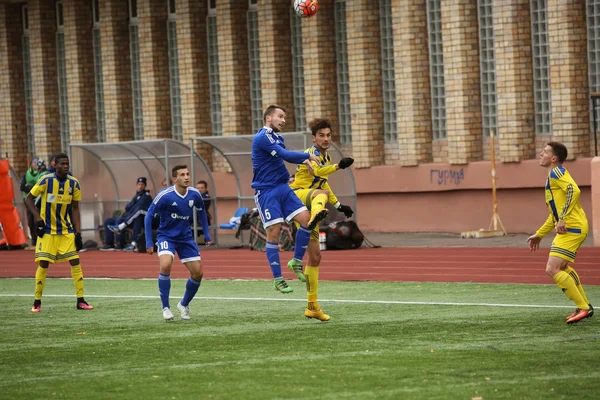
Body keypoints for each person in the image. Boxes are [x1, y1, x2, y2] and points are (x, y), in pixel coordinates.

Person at [251, 104, 322, 294]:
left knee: (306, 219)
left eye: (284, 118)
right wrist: (307, 155)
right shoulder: (262, 137)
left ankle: (296, 261)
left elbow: (282, 157)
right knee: (273, 232)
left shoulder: (276, 137)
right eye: (280, 117)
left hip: (283, 187)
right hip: (266, 191)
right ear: (268, 118)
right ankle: (277, 279)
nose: (283, 121)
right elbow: (284, 155)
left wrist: (304, 160)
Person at [290, 118, 355, 321]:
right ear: (314, 137)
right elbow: (318, 172)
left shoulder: (325, 156)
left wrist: (338, 206)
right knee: (320, 195)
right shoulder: (313, 154)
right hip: (298, 198)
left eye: (328, 135)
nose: (326, 139)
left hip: (313, 202)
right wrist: (339, 167)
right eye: (321, 135)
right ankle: (316, 215)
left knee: (316, 257)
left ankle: (312, 306)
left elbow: (324, 184)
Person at [527, 142, 593, 324]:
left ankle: (584, 308)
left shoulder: (557, 172)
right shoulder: (552, 177)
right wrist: (539, 234)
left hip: (571, 227)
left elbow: (574, 190)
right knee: (562, 267)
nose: (541, 153)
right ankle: (584, 305)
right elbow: (553, 215)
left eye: (545, 151)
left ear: (553, 158)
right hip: (572, 226)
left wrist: (563, 217)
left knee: (552, 268)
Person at [24, 153, 93, 312]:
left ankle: (81, 300)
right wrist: (38, 220)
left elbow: (75, 209)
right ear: (55, 165)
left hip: (66, 230)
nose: (66, 166)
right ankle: (37, 302)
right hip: (47, 231)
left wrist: (77, 233)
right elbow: (28, 199)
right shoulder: (46, 180)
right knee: (44, 263)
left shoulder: (74, 184)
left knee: (75, 261)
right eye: (62, 164)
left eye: (67, 164)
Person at [144, 164, 212, 321]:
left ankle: (184, 304)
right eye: (182, 175)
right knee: (165, 265)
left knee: (198, 273)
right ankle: (166, 307)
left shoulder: (194, 194)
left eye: (188, 174)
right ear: (175, 179)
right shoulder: (165, 195)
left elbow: (202, 212)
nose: (186, 177)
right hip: (166, 236)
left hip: (185, 238)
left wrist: (207, 234)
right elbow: (149, 215)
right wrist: (149, 241)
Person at [102, 177, 152, 251]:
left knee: (122, 220)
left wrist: (132, 207)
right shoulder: (136, 196)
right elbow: (127, 207)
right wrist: (132, 207)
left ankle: (120, 244)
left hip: (136, 219)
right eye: (139, 184)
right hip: (129, 216)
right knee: (108, 221)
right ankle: (109, 244)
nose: (140, 186)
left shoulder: (146, 196)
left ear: (145, 186)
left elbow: (138, 208)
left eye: (142, 184)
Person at [20, 158, 43, 248]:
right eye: (34, 163)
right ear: (31, 164)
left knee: (37, 218)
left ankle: (38, 238)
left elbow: (40, 186)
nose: (35, 164)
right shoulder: (26, 174)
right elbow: (22, 187)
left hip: (37, 200)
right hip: (28, 199)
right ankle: (33, 237)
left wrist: (31, 187)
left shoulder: (40, 174)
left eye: (37, 163)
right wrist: (30, 188)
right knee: (30, 221)